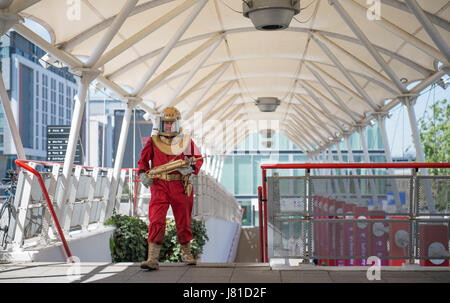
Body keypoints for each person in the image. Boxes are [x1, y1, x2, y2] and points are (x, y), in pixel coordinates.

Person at [138, 106, 203, 270]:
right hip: (159, 185)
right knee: (156, 220)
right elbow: (143, 162)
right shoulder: (153, 142)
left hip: (180, 185)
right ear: (161, 124)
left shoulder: (186, 141)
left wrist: (191, 169)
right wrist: (143, 175)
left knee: (184, 220)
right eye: (165, 123)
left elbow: (198, 159)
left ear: (177, 123)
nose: (168, 126)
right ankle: (152, 259)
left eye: (171, 123)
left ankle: (186, 254)